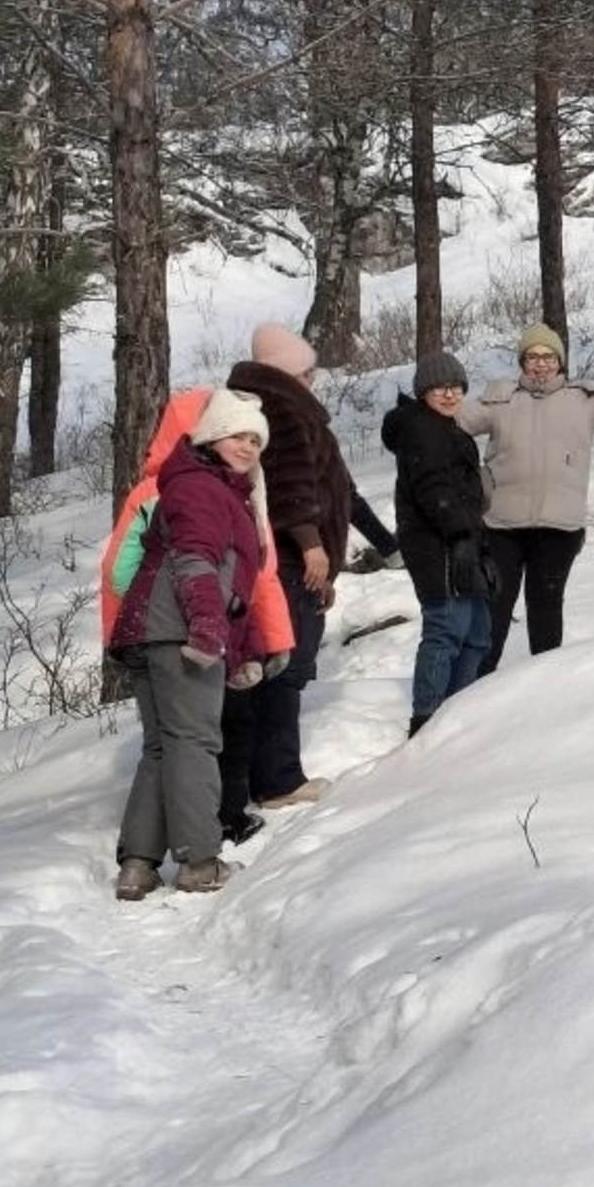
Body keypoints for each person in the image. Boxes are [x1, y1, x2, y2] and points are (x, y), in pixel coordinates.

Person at [107, 388, 272, 900]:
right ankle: (200, 861)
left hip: (148, 627)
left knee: (161, 746)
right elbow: (197, 561)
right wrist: (206, 628)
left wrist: (239, 651)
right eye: (235, 434)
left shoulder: (199, 483)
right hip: (177, 629)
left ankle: (138, 864)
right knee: (195, 742)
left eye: (254, 439)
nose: (246, 446)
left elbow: (227, 585)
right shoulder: (204, 487)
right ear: (211, 435)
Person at [458, 324, 594, 669]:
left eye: (548, 357)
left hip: (558, 528)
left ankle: (546, 692)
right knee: (494, 612)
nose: (540, 364)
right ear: (522, 362)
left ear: (560, 362)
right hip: (501, 526)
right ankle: (476, 690)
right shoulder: (502, 399)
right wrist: (416, 415)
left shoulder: (582, 400)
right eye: (532, 357)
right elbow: (456, 419)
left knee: (545, 608)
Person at [218, 323, 353, 824]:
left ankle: (262, 775)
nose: (313, 379)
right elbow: (293, 484)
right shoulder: (284, 406)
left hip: (289, 560)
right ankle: (278, 779)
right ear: (292, 369)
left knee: (276, 666)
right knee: (285, 668)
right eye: (309, 370)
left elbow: (336, 486)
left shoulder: (264, 403)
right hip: (293, 561)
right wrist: (314, 547)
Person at [381, 351, 496, 738]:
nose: (449, 394)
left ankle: (456, 710)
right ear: (423, 392)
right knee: (446, 629)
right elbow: (434, 488)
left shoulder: (450, 429)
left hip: (462, 540)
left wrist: (477, 543)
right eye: (438, 388)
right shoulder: (421, 429)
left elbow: (465, 492)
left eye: (455, 387)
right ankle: (427, 719)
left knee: (478, 634)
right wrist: (460, 537)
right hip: (435, 546)